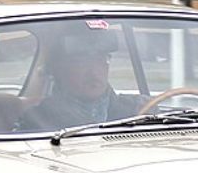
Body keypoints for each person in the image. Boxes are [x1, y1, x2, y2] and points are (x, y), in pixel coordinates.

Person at [16, 28, 145, 131]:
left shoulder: (138, 110)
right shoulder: (37, 119)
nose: (94, 71)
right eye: (81, 62)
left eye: (101, 60)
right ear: (58, 69)